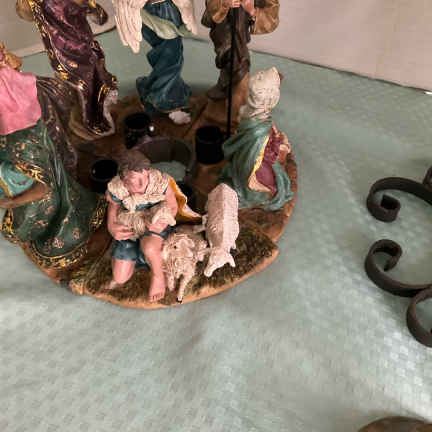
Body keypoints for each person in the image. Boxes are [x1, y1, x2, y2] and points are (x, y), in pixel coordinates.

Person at [0, 58, 106, 270]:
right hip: (30, 169)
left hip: (39, 194)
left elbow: (42, 188)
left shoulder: (21, 143)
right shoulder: (17, 125)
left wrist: (11, 203)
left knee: (42, 220)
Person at [104, 150, 200, 302]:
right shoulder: (118, 188)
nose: (143, 183)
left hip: (154, 223)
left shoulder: (159, 183)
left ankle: (158, 276)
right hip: (131, 226)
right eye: (136, 180)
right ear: (124, 181)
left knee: (149, 247)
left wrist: (162, 222)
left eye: (145, 176)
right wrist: (111, 226)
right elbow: (113, 208)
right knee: (120, 277)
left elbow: (172, 206)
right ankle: (136, 257)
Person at [16, 0, 118, 139]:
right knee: (83, 88)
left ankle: (94, 118)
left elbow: (100, 17)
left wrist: (90, 7)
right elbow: (25, 12)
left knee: (95, 81)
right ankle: (89, 121)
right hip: (65, 55)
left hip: (84, 48)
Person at [219, 67, 293, 210]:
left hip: (248, 156)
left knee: (275, 176)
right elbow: (265, 156)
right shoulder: (259, 131)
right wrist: (276, 145)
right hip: (254, 165)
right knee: (275, 185)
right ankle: (258, 193)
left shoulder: (251, 115)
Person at [112, 0, 196, 124]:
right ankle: (166, 101)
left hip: (168, 10)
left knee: (171, 54)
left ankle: (156, 90)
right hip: (158, 13)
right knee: (170, 56)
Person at [202, 0, 280, 101]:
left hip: (240, 40)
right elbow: (211, 5)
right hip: (223, 34)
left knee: (239, 66)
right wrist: (224, 3)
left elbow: (271, 16)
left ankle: (235, 94)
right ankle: (224, 90)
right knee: (228, 61)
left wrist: (252, 11)